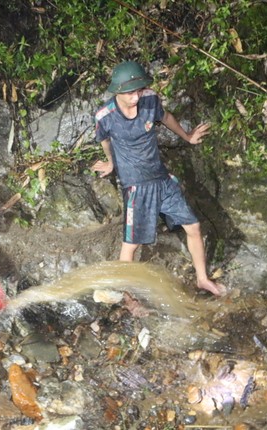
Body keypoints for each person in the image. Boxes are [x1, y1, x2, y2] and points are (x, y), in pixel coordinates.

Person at [92, 61, 226, 296]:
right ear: (118, 91)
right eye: (131, 92)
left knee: (193, 226)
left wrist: (187, 136)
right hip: (136, 186)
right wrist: (111, 162)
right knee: (131, 245)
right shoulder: (106, 116)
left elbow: (166, 117)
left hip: (162, 179)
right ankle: (127, 297)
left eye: (139, 90)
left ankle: (202, 279)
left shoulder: (149, 99)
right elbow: (105, 140)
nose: (136, 96)